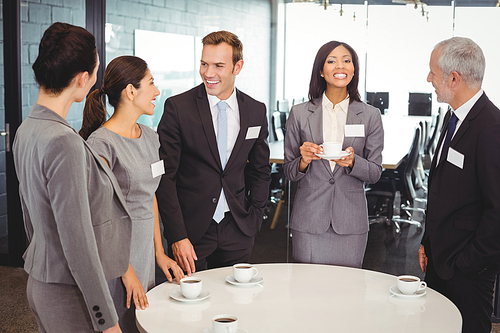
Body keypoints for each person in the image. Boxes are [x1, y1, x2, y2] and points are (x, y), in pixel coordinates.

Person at [13, 22, 131, 333]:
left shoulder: (27, 129)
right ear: (82, 78)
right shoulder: (62, 141)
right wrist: (107, 321)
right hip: (70, 293)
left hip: (41, 282)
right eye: (95, 72)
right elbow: (78, 242)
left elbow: (30, 215)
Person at [80, 56, 185, 332]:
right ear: (130, 91)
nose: (157, 91)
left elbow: (149, 197)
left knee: (142, 323)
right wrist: (126, 272)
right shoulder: (101, 143)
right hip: (115, 257)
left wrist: (159, 253)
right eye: (151, 83)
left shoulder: (151, 137)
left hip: (144, 251)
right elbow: (98, 216)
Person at [156, 30, 271, 275]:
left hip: (238, 228)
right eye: (204, 64)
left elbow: (260, 170)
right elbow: (166, 177)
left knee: (234, 302)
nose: (209, 73)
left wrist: (255, 216)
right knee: (187, 305)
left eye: (219, 65)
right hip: (191, 231)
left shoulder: (255, 110)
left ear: (237, 67)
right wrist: (177, 235)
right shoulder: (178, 108)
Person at [418, 37, 500, 333]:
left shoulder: (491, 128)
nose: (429, 79)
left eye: (432, 73)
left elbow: (497, 211)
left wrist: (468, 263)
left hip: (466, 270)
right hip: (442, 260)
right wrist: (429, 241)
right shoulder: (453, 117)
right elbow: (443, 188)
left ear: (453, 78)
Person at [283, 41, 384, 268]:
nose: (340, 66)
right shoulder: (299, 114)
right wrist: (303, 161)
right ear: (321, 70)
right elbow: (289, 171)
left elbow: (375, 172)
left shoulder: (370, 115)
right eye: (331, 61)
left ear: (354, 69)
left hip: (350, 222)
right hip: (309, 220)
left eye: (346, 60)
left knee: (348, 295)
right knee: (306, 290)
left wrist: (353, 162)